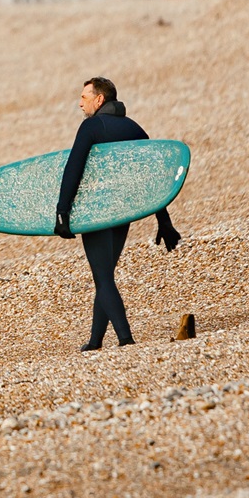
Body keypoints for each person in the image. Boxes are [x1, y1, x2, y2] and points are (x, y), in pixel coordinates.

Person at [53, 77, 181, 350]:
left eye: (85, 97)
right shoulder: (135, 128)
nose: (80, 103)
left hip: (96, 213)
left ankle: (126, 339)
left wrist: (62, 212)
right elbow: (153, 177)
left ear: (100, 100)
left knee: (103, 278)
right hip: (123, 213)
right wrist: (164, 220)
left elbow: (73, 168)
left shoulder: (92, 126)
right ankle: (95, 341)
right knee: (105, 276)